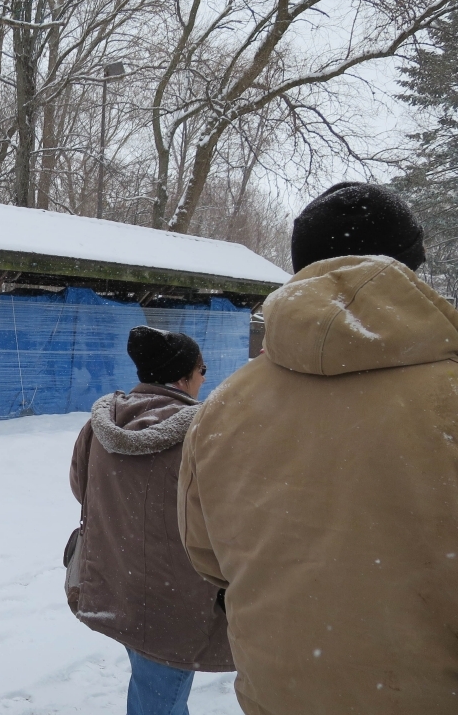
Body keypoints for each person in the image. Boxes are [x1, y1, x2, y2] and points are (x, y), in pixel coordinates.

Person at [179, 182, 458, 714]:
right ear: (412, 268)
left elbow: (207, 557)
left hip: (278, 695)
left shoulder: (223, 407)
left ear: (301, 266)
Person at [69, 325, 232, 715]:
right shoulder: (206, 433)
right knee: (159, 699)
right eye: (202, 369)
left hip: (117, 581)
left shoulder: (101, 423)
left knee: (152, 686)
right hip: (176, 597)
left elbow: (82, 488)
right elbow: (225, 518)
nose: (204, 379)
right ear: (182, 377)